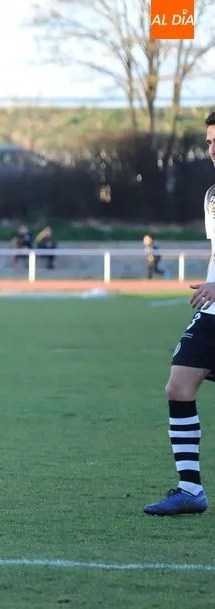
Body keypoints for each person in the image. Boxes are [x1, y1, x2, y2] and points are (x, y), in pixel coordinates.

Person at [144, 111, 215, 516]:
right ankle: (190, 490)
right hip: (213, 310)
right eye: (208, 142)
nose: (211, 149)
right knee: (179, 386)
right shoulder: (212, 195)